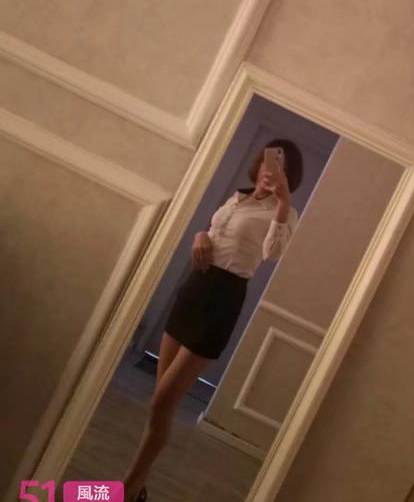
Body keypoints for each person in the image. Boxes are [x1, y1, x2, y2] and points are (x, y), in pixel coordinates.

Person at [123, 138, 303, 502]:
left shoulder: (284, 212)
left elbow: (272, 252)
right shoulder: (237, 198)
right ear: (259, 163)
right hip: (194, 290)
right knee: (160, 403)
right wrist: (200, 235)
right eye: (269, 161)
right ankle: (137, 489)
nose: (271, 171)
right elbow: (215, 231)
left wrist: (283, 203)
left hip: (223, 299)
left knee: (162, 403)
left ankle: (126, 491)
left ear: (289, 176)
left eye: (281, 168)